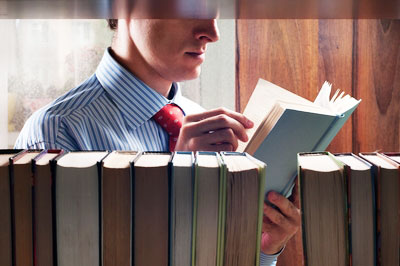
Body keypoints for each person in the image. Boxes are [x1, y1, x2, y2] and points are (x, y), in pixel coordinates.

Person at [15, 19, 300, 265]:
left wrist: (262, 250)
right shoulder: (56, 133)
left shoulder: (204, 124)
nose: (213, 33)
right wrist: (179, 181)